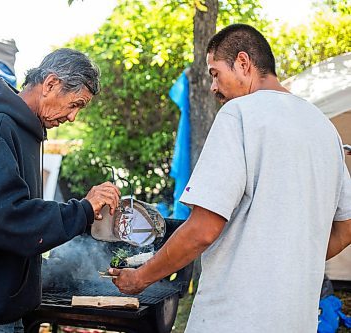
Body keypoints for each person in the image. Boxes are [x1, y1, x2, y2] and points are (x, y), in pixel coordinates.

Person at [109, 24, 351, 332]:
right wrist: (293, 259)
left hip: (234, 319)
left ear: (243, 63)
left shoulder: (238, 114)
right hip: (298, 320)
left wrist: (140, 277)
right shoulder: (324, 128)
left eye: (214, 73)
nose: (213, 87)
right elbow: (346, 229)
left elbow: (203, 230)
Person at [0, 48, 121, 331]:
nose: (73, 118)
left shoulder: (26, 130)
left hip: (1, 306)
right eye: (75, 104)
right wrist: (82, 210)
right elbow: (5, 218)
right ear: (51, 84)